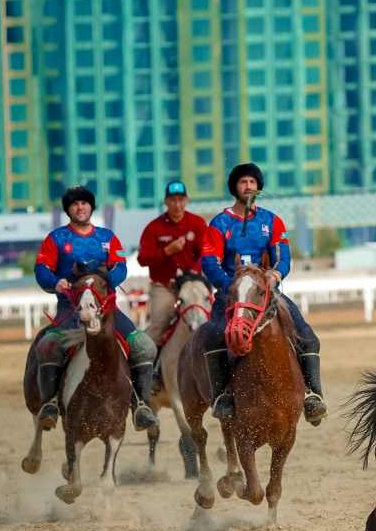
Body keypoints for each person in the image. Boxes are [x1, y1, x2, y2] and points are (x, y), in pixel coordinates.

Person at [197, 163, 328, 424]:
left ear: (259, 187)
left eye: (253, 182)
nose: (249, 187)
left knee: (307, 336)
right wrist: (230, 286)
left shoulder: (272, 221)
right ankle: (223, 396)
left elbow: (283, 257)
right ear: (234, 187)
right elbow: (209, 262)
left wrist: (274, 275)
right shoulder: (219, 223)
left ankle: (313, 395)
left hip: (267, 293)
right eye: (243, 182)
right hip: (230, 295)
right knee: (213, 336)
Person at [32, 185, 159, 431]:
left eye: (84, 203)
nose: (80, 207)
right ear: (68, 209)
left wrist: (106, 280)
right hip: (70, 309)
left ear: (91, 207)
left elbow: (121, 266)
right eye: (74, 204)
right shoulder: (56, 239)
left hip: (107, 309)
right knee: (48, 345)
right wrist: (53, 281)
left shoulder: (107, 237)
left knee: (144, 346)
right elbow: (41, 270)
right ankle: (50, 404)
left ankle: (141, 405)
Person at [137, 180, 208, 391]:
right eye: (173, 200)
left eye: (181, 199)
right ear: (166, 201)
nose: (177, 204)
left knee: (213, 318)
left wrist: (194, 270)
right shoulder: (154, 227)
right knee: (159, 324)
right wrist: (166, 251)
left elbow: (206, 252)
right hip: (165, 286)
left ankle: (220, 365)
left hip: (193, 283)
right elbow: (142, 258)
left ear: (186, 200)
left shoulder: (197, 223)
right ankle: (152, 373)